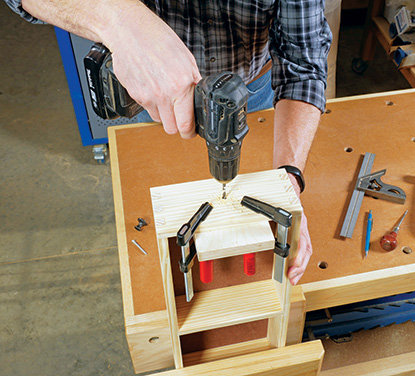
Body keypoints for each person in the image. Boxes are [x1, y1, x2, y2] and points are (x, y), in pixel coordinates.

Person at [5, 0, 332, 285]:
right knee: (147, 227)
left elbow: (302, 60)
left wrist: (286, 179)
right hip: (149, 94)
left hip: (251, 90)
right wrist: (118, 18)